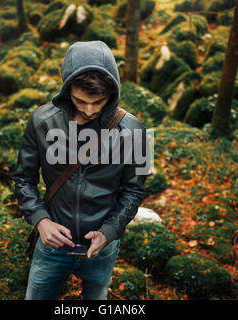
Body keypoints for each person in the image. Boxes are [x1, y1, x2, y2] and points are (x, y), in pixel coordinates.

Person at [12, 40, 149, 300]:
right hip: (52, 243)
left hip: (102, 247)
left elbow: (134, 191)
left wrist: (108, 232)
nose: (88, 110)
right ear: (66, 90)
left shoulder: (135, 130)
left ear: (112, 93)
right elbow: (23, 179)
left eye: (98, 102)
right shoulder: (41, 121)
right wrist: (41, 221)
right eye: (80, 100)